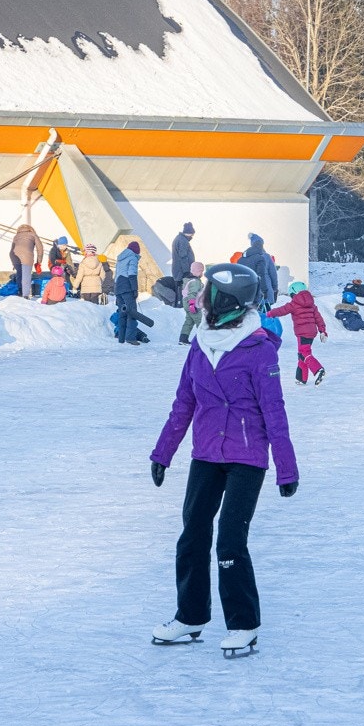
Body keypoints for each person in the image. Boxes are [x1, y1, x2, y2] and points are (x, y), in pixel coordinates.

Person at [149, 263, 299, 656]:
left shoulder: (258, 349)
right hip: (206, 454)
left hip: (247, 457)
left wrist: (286, 467)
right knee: (192, 535)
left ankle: (244, 623)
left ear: (226, 302)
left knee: (230, 542)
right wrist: (163, 452)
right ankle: (191, 615)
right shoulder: (201, 343)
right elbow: (184, 402)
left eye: (209, 294)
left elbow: (274, 411)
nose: (201, 300)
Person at [267, 280, 329, 385]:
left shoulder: (294, 303)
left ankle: (318, 369)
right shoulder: (312, 304)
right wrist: (322, 331)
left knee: (305, 353)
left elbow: (282, 310)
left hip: (302, 333)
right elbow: (319, 318)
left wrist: (269, 314)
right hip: (311, 332)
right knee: (301, 354)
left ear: (294, 293)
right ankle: (301, 379)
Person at [238, 233, 279, 308]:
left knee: (252, 316)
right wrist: (275, 288)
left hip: (249, 294)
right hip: (265, 292)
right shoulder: (266, 256)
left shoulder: (242, 259)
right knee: (266, 316)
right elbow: (273, 274)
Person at [115, 241, 143, 344]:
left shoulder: (120, 259)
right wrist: (135, 289)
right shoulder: (133, 258)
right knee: (132, 312)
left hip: (118, 287)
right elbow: (132, 274)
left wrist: (116, 291)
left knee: (122, 313)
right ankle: (130, 338)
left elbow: (116, 276)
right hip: (127, 287)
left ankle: (121, 338)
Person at [10, 223, 41, 298]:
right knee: (26, 276)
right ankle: (25, 295)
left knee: (19, 274)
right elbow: (40, 249)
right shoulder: (33, 235)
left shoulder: (16, 236)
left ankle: (20, 291)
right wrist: (39, 261)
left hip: (14, 256)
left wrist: (13, 263)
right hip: (27, 256)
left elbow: (13, 248)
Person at [179, 262, 206, 345]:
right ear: (198, 271)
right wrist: (192, 304)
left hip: (186, 304)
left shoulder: (188, 280)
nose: (202, 273)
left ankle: (183, 339)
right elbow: (192, 294)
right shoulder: (195, 282)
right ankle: (203, 340)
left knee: (189, 322)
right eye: (201, 271)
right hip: (192, 305)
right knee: (200, 322)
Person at [170, 222, 196, 300]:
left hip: (178, 270)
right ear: (189, 233)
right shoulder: (183, 241)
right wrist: (186, 271)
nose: (192, 236)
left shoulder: (179, 238)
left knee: (179, 288)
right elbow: (183, 257)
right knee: (182, 290)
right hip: (181, 271)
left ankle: (179, 302)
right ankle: (181, 303)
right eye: (192, 234)